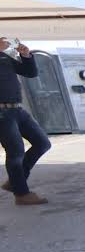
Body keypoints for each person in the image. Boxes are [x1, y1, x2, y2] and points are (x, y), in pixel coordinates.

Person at [0, 37, 51, 205]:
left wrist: (26, 56)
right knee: (16, 151)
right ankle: (21, 194)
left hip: (17, 108)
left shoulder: (5, 55)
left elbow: (30, 73)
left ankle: (16, 181)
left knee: (42, 143)